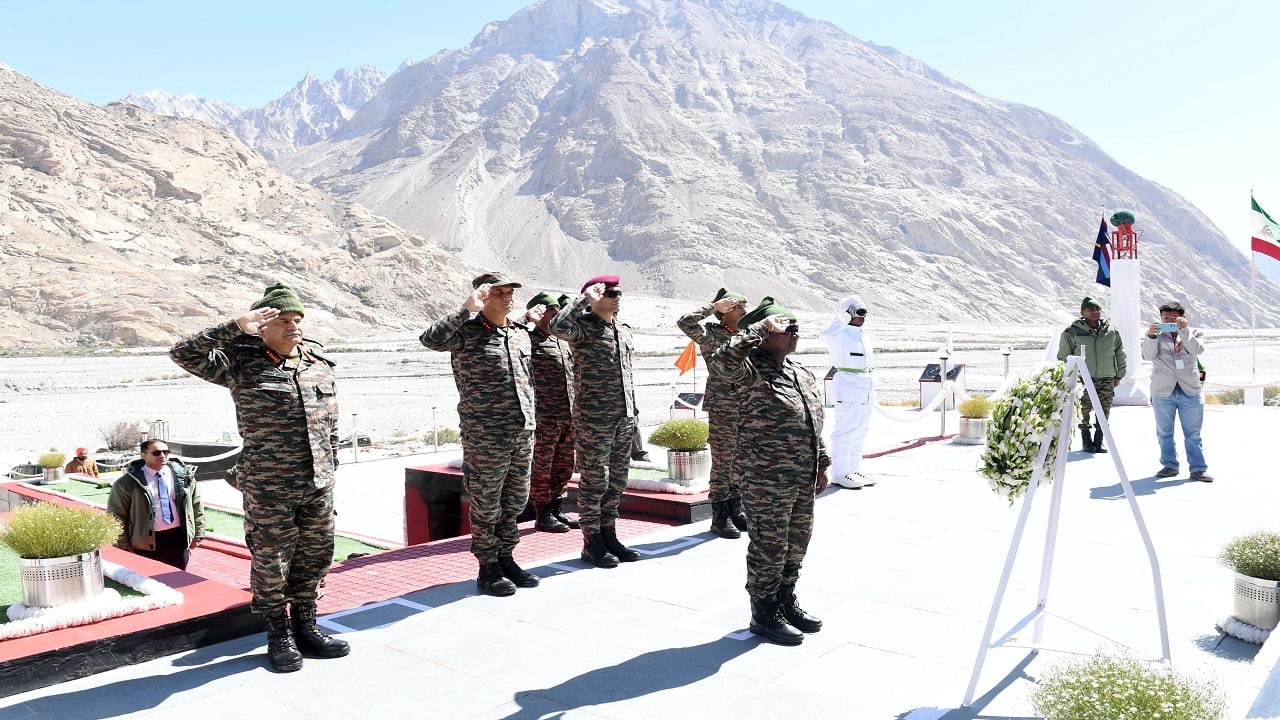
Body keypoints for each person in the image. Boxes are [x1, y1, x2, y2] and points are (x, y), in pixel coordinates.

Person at [170, 283, 349, 673]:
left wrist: (331, 464)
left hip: (318, 484)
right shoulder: (240, 362)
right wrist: (235, 326)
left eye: (297, 319)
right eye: (282, 320)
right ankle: (277, 634)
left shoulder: (317, 362)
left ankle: (307, 625)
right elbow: (182, 353)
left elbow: (330, 422)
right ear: (261, 327)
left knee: (315, 556)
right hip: (269, 487)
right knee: (272, 561)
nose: (292, 326)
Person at [712, 297, 829, 645]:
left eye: (795, 328)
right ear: (764, 334)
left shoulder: (799, 371)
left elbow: (812, 421)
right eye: (785, 329)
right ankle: (763, 613)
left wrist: (822, 461)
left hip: (801, 477)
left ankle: (784, 600)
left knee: (796, 544)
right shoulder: (749, 370)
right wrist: (760, 327)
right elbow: (722, 358)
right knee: (769, 546)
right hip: (765, 479)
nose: (793, 334)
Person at [422, 273, 539, 595]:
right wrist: (465, 309)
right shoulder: (466, 333)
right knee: (487, 502)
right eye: (498, 292)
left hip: (522, 430)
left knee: (515, 500)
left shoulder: (519, 334)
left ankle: (507, 558)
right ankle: (487, 567)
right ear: (483, 296)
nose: (507, 297)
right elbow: (430, 340)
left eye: (509, 292)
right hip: (486, 434)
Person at [549, 274, 640, 568]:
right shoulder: (582, 329)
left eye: (618, 292)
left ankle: (609, 534)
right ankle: (592, 542)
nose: (616, 296)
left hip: (624, 417)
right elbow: (555, 326)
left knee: (616, 481)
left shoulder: (623, 330)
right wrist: (583, 299)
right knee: (594, 482)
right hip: (594, 419)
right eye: (609, 292)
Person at [677, 287, 750, 538]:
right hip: (723, 407)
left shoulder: (748, 334)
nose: (744, 310)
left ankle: (736, 509)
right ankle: (719, 517)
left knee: (740, 460)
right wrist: (712, 306)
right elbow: (685, 322)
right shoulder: (711, 334)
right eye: (739, 307)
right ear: (726, 311)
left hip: (747, 405)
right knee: (723, 462)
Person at [524, 291, 580, 533]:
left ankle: (558, 510)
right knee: (542, 467)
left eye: (558, 310)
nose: (557, 314)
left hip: (567, 415)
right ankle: (542, 514)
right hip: (544, 417)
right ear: (539, 312)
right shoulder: (527, 339)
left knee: (564, 465)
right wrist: (526, 321)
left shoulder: (561, 340)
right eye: (551, 310)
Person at [107, 438, 204, 570]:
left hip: (178, 539)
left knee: (178, 580)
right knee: (151, 583)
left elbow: (196, 506)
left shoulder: (184, 477)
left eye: (166, 452)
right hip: (145, 544)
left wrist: (197, 535)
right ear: (144, 455)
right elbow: (116, 515)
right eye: (157, 453)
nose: (163, 456)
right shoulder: (127, 483)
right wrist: (123, 545)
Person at [1141, 300, 1211, 481]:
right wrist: (1150, 336)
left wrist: (1184, 330)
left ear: (1183, 317)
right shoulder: (1155, 334)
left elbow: (1198, 349)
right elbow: (1147, 356)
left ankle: (1198, 469)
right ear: (1161, 318)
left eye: (1174, 317)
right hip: (1163, 391)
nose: (1170, 320)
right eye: (1166, 317)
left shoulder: (1194, 332)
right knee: (1164, 432)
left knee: (1193, 433)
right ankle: (1169, 465)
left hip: (1190, 390)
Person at [820, 296, 878, 488]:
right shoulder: (838, 334)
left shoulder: (864, 336)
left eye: (864, 312)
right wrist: (843, 316)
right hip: (848, 386)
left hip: (866, 387)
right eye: (858, 311)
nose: (863, 316)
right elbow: (825, 335)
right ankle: (840, 472)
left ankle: (853, 468)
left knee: (861, 430)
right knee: (846, 430)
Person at [1057, 296, 1127, 453]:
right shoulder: (1072, 332)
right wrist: (1068, 378)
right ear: (1082, 312)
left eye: (1097, 309)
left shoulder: (1111, 331)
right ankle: (1086, 440)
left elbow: (1120, 353)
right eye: (1090, 310)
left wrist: (1119, 375)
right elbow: (1063, 357)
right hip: (1083, 379)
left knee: (1104, 410)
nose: (1094, 312)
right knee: (1084, 410)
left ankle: (1099, 440)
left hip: (1107, 377)